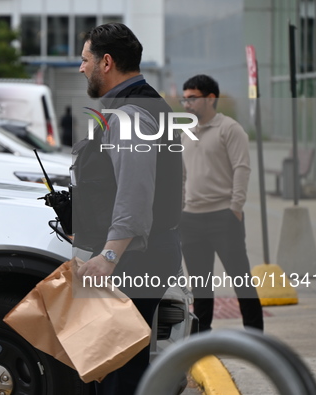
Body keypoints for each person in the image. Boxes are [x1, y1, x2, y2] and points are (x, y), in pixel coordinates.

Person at [72, 23, 183, 395]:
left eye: (85, 60)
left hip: (134, 259)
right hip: (141, 254)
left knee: (119, 373)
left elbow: (135, 196)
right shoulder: (136, 106)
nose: (81, 68)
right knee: (119, 365)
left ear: (106, 62)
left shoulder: (132, 114)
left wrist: (107, 256)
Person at [179, 74, 264, 333]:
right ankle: (202, 336)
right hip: (191, 218)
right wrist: (181, 206)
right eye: (184, 99)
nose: (186, 105)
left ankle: (255, 336)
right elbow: (183, 173)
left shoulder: (230, 129)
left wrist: (235, 207)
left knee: (241, 280)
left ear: (210, 98)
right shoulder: (186, 132)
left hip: (223, 217)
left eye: (192, 99)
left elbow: (242, 168)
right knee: (200, 284)